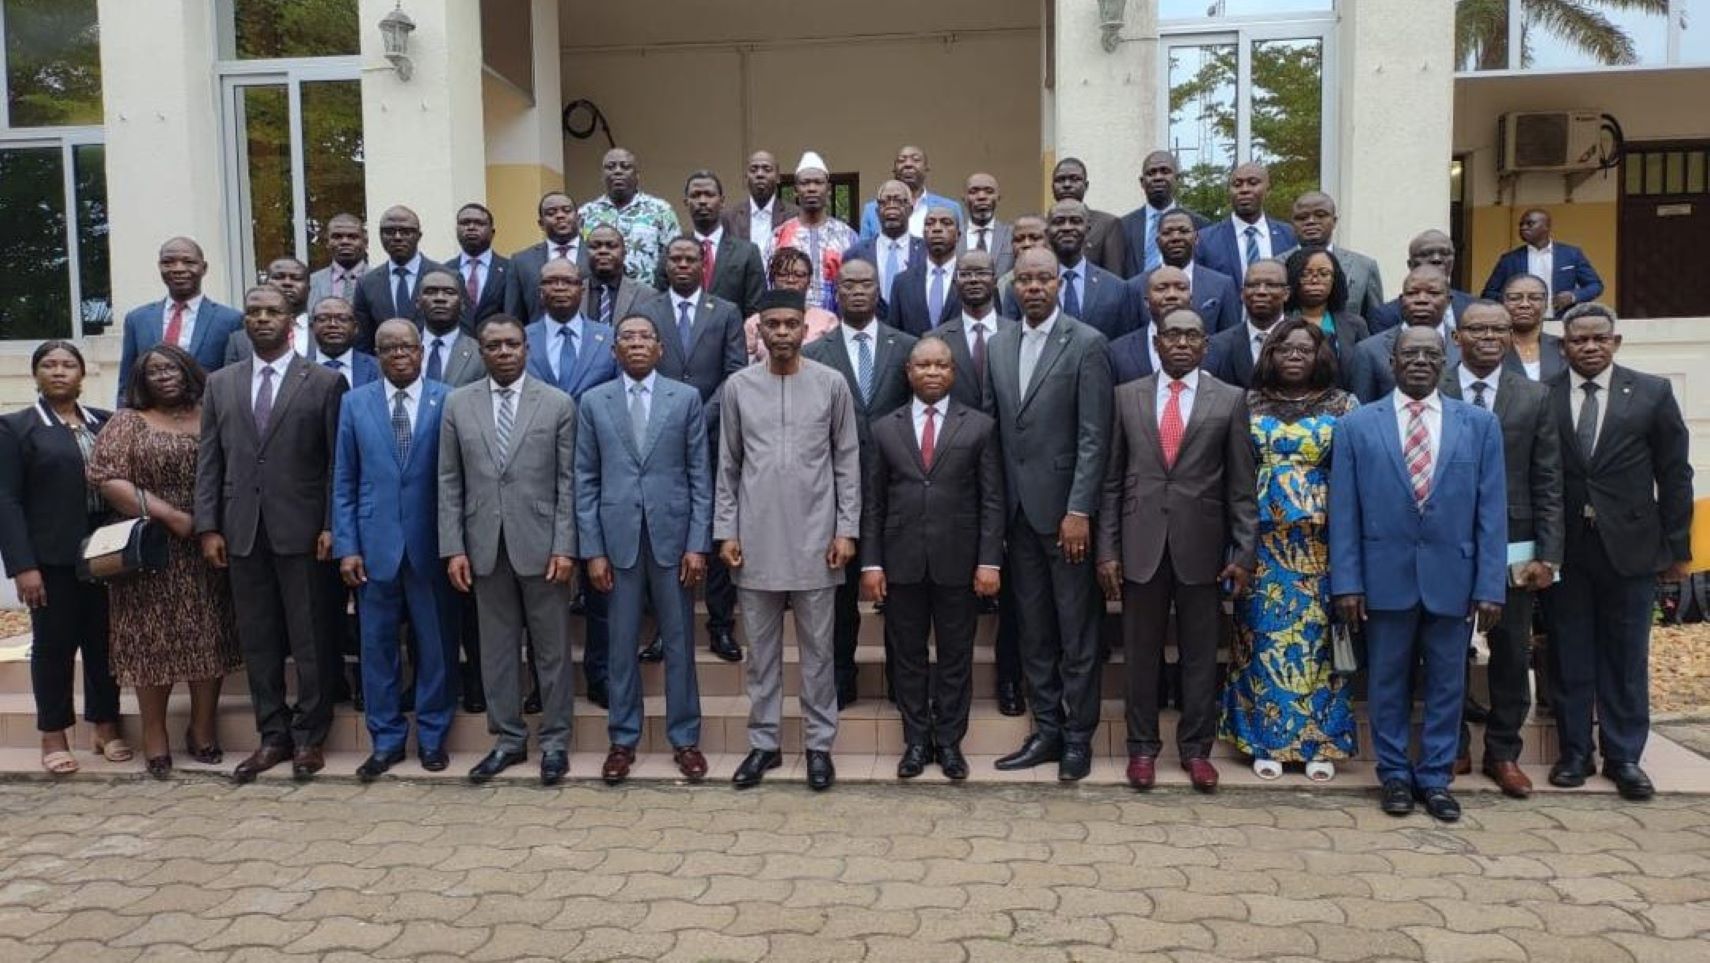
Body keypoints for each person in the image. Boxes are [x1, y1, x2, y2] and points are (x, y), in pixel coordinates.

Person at [1331, 326, 1507, 822]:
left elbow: (1492, 511)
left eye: (1432, 353)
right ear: (1392, 360)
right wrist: (1348, 582)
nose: (1421, 361)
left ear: (1445, 361)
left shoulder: (1479, 424)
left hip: (1454, 578)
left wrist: (1490, 585)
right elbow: (1344, 511)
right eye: (1411, 353)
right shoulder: (1356, 426)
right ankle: (1393, 775)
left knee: (1448, 685)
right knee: (1387, 682)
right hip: (1383, 578)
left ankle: (1435, 778)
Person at [1098, 308, 1255, 793]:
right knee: (1140, 656)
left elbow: (1241, 486)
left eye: (1192, 336)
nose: (1181, 343)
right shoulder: (1126, 396)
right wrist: (1107, 549)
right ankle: (1142, 749)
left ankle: (1196, 750)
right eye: (1172, 335)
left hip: (1202, 547)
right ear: (1156, 343)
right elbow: (1111, 481)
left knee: (1200, 656)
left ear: (1206, 345)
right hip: (1140, 544)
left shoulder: (1230, 399)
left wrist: (1243, 552)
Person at [196, 284, 348, 783]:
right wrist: (208, 526)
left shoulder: (324, 382)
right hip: (241, 531)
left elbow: (336, 464)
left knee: (311, 637)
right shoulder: (220, 384)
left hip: (303, 531)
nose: (262, 318)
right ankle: (273, 735)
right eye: (254, 311)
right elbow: (210, 460)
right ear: (244, 321)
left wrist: (332, 524)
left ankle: (309, 737)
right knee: (258, 638)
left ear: (291, 321)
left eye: (272, 311)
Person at [1547, 303, 1693, 801]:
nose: (1590, 347)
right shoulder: (1543, 395)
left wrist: (1677, 547)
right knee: (1569, 652)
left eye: (1599, 338)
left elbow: (1675, 473)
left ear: (1616, 342)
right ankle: (1574, 753)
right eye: (1579, 340)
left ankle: (1624, 756)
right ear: (1563, 346)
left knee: (1626, 655)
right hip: (1567, 547)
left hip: (1632, 546)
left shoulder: (1652, 392)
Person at [717, 288, 860, 791]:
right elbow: (728, 464)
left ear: (805, 328)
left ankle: (819, 746)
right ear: (759, 330)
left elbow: (847, 460)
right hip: (755, 541)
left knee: (819, 654)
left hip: (817, 541)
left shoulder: (831, 384)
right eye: (772, 324)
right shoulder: (738, 387)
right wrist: (726, 530)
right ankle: (764, 744)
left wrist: (846, 529)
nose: (781, 333)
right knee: (762, 656)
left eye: (790, 324)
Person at [988, 247, 1114, 782]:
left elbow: (1095, 436)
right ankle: (1046, 731)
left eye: (1044, 279)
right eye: (1025, 280)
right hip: (1018, 515)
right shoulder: (998, 344)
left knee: (1076, 632)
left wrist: (1079, 509)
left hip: (1066, 517)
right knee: (1034, 632)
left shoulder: (1086, 343)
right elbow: (998, 433)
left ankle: (1078, 737)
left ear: (1060, 283)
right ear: (1013, 286)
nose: (1034, 287)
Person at [439, 314, 579, 785]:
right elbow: (449, 480)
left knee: (551, 650)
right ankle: (508, 739)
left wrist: (565, 546)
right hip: (483, 545)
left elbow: (568, 482)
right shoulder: (458, 404)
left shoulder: (557, 403)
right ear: (481, 352)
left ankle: (555, 741)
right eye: (494, 345)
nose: (503, 352)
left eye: (512, 344)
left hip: (543, 545)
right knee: (497, 650)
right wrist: (453, 548)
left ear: (526, 349)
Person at [89, 344, 240, 778]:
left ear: (188, 371)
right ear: (142, 380)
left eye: (171, 367)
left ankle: (202, 729)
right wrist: (170, 515)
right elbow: (104, 476)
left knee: (209, 636)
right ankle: (154, 735)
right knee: (150, 643)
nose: (164, 376)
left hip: (207, 543)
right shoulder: (128, 421)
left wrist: (204, 522)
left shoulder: (211, 413)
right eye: (154, 371)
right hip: (149, 549)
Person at [1218, 318, 1360, 782]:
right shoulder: (1247, 402)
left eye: (1305, 349)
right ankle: (1265, 741)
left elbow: (1355, 475)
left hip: (1322, 546)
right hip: (1260, 545)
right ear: (1270, 355)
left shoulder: (1345, 405)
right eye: (1285, 349)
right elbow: (1235, 474)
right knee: (1261, 641)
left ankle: (1321, 743)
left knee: (1320, 645)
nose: (1294, 356)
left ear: (1321, 356)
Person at [576, 313, 713, 785]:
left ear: (659, 348)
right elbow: (585, 479)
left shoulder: (685, 398)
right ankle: (622, 739)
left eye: (645, 337)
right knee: (620, 646)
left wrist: (698, 544)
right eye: (627, 337)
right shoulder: (594, 402)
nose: (636, 343)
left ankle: (685, 739)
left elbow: (700, 476)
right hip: (616, 543)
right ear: (614, 350)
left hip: (674, 539)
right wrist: (592, 551)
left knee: (679, 643)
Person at [861, 337, 1003, 780]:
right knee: (907, 657)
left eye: (941, 365)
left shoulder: (979, 426)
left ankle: (950, 742)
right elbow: (874, 503)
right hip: (901, 563)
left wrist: (989, 561)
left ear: (953, 372)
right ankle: (916, 742)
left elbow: (992, 500)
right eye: (923, 365)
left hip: (959, 563)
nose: (932, 372)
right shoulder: (884, 429)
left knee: (956, 655)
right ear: (909, 372)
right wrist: (871, 563)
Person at [1444, 301, 1563, 799]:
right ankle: (1451, 746)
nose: (1489, 337)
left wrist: (1549, 554)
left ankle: (1503, 752)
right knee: (1446, 648)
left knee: (1512, 649)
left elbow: (1548, 478)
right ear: (1457, 337)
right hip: (1446, 541)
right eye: (1477, 329)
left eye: (1499, 329)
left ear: (1512, 336)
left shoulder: (1534, 396)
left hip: (1515, 541)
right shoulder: (1433, 385)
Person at [332, 319, 460, 780]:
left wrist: (456, 545)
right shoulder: (355, 402)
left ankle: (432, 738)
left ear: (421, 351)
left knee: (436, 646)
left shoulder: (449, 399)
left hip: (432, 545)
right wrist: (347, 546)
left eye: (407, 347)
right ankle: (385, 741)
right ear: (377, 355)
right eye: (388, 348)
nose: (399, 354)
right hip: (374, 546)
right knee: (377, 648)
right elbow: (344, 480)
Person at [0, 342, 125, 774]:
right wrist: (23, 566)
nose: (58, 371)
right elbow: (6, 500)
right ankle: (53, 734)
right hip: (51, 559)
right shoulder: (16, 427)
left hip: (105, 555)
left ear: (81, 374)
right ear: (36, 374)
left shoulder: (105, 423)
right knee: (54, 647)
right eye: (49, 365)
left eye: (68, 364)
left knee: (104, 644)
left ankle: (105, 726)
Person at [803, 259, 917, 706]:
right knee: (841, 592)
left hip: (897, 487)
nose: (856, 291)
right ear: (836, 291)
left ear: (878, 290)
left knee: (900, 595)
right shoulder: (816, 353)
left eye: (865, 283)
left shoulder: (906, 347)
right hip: (836, 489)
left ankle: (901, 681)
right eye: (847, 284)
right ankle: (841, 677)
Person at [925, 251, 1024, 715]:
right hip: (956, 476)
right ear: (955, 281)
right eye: (965, 273)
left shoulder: (1019, 333)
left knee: (1018, 585)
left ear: (996, 278)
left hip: (1017, 471)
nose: (973, 279)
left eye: (982, 272)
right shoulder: (934, 340)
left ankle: (1010, 679)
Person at [117, 237, 243, 404]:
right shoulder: (137, 319)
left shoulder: (231, 320)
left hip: (207, 414)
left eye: (188, 262)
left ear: (204, 268)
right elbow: (127, 381)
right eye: (168, 262)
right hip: (151, 414)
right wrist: (124, 414)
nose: (178, 269)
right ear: (159, 267)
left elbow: (236, 379)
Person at [1351, 265, 1494, 403]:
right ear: (1401, 301)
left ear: (1448, 301)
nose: (1422, 300)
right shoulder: (1369, 351)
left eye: (1433, 293)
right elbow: (1361, 410)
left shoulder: (1468, 345)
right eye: (1412, 293)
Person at [1003, 200, 1132, 340]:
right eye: (1059, 222)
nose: (1067, 227)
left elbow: (1122, 343)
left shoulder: (1116, 288)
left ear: (1087, 230)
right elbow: (1011, 339)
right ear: (1047, 232)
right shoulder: (1019, 288)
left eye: (1075, 221)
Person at [655, 170, 764, 317]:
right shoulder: (672, 252)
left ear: (722, 201)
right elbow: (661, 302)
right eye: (695, 195)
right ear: (686, 202)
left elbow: (755, 309)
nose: (702, 201)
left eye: (709, 194)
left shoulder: (747, 252)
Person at [1126, 210, 1240, 333]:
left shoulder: (1222, 285)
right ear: (1157, 241)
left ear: (1196, 238)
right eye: (1167, 232)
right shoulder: (1136, 287)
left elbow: (1230, 337)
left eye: (1183, 231)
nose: (1176, 237)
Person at [578, 147, 681, 283]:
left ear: (637, 175)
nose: (618, 171)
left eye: (625, 166)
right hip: (600, 293)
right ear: (602, 176)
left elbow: (676, 255)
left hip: (648, 293)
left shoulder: (661, 210)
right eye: (610, 167)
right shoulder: (585, 213)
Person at [351, 205, 446, 351]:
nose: (397, 237)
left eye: (406, 232)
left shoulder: (446, 277)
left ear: (419, 236)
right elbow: (362, 342)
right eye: (389, 232)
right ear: (380, 236)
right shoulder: (366, 284)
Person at [772, 151, 858, 313]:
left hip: (836, 322)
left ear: (829, 189)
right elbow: (769, 284)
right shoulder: (779, 236)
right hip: (789, 320)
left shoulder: (847, 236)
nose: (812, 188)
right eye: (805, 183)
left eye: (818, 183)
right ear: (796, 190)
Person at [1281, 192, 1385, 320]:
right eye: (1302, 217)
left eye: (1320, 215)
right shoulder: (1276, 265)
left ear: (1334, 221)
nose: (1311, 221)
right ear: (1292, 223)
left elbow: (1376, 323)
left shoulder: (1364, 267)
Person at [1480, 209, 1604, 317]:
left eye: (1530, 223)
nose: (1523, 228)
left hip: (1561, 321)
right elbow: (1489, 294)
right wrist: (1512, 300)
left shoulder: (1571, 254)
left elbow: (1595, 285)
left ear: (1546, 227)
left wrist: (1573, 296)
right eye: (1521, 224)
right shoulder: (1509, 259)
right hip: (1521, 324)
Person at [1194, 163, 1297, 283]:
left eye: (1253, 183)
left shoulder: (1288, 235)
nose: (1244, 190)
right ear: (1229, 192)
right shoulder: (1205, 239)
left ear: (1268, 190)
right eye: (1237, 185)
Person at [1283, 246, 1370, 388]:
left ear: (1335, 279)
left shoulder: (1355, 325)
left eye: (1323, 274)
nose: (1314, 280)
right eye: (1306, 274)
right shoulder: (1280, 322)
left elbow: (1364, 373)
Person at [1119, 150, 1209, 278]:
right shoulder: (1122, 227)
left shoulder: (1201, 225)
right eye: (1151, 173)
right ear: (1142, 182)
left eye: (1165, 171)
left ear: (1177, 179)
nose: (1158, 177)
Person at [505, 191, 592, 324]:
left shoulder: (596, 255)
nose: (560, 216)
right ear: (541, 223)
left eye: (567, 211)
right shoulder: (521, 262)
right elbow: (513, 315)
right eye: (551, 213)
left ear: (579, 218)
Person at [742, 246, 840, 363]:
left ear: (809, 280)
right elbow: (746, 364)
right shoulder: (755, 322)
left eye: (799, 275)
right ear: (772, 279)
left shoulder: (827, 320)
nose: (791, 280)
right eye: (783, 274)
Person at [1204, 258, 1290, 389]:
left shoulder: (1308, 340)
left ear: (1286, 293)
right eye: (1253, 285)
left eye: (1271, 285)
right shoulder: (1217, 346)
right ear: (1242, 294)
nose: (1261, 291)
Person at [843, 180, 924, 316]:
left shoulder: (926, 251)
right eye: (885, 202)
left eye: (898, 201)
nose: (891, 206)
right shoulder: (856, 253)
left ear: (911, 209)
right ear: (877, 211)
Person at [1367, 231, 1475, 333]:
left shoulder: (1475, 306)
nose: (1436, 259)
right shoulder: (1385, 316)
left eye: (1445, 253)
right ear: (1410, 264)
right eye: (1425, 254)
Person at [858, 144, 964, 240]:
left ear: (926, 168)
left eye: (916, 160)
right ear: (894, 170)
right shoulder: (872, 210)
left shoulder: (951, 208)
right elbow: (865, 249)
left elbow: (959, 247)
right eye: (901, 160)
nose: (908, 164)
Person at [1109, 265, 1193, 385]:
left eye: (1180, 288)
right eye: (1161, 288)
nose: (1172, 295)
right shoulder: (1116, 352)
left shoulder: (1213, 351)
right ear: (1146, 301)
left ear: (1191, 300)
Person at [226, 258, 315, 364]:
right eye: (278, 277)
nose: (287, 283)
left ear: (308, 288)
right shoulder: (238, 340)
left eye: (296, 278)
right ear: (265, 284)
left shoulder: (324, 330)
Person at [889, 206, 962, 335]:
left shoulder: (971, 280)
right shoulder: (902, 282)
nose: (937, 228)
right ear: (923, 234)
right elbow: (894, 334)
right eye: (930, 223)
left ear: (958, 235)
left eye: (946, 223)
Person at [1050, 158, 1126, 276]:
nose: (1067, 185)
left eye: (1074, 179)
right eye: (1060, 180)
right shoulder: (1043, 224)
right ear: (1052, 187)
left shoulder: (1108, 224)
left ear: (1086, 185)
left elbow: (1114, 276)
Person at [720, 149, 797, 261]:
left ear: (778, 177)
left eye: (767, 169)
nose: (760, 174)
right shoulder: (729, 217)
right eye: (753, 170)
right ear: (746, 177)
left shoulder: (794, 215)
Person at [447, 202, 513, 330]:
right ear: (456, 230)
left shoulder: (510, 269)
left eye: (479, 223)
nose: (471, 227)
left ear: (492, 232)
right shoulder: (444, 271)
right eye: (465, 223)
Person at [419, 269, 487, 388]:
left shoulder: (481, 354)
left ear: (462, 304)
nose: (440, 298)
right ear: (418, 302)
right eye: (430, 292)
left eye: (449, 292)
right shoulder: (401, 351)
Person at [581, 225, 654, 328]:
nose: (603, 251)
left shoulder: (647, 295)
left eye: (611, 246)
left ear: (624, 252)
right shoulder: (572, 292)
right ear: (586, 253)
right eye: (595, 246)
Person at [305, 297, 380, 388]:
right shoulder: (296, 369)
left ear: (356, 327)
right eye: (323, 319)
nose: (333, 324)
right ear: (312, 327)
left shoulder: (379, 368)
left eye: (342, 319)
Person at [309, 212, 369, 312]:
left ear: (365, 242)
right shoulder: (311, 283)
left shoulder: (382, 281)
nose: (345, 241)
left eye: (352, 237)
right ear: (327, 242)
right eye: (337, 237)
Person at [963, 172, 1015, 277]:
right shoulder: (954, 237)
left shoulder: (1012, 235)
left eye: (989, 191)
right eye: (974, 191)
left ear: (998, 198)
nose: (981, 196)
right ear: (964, 198)